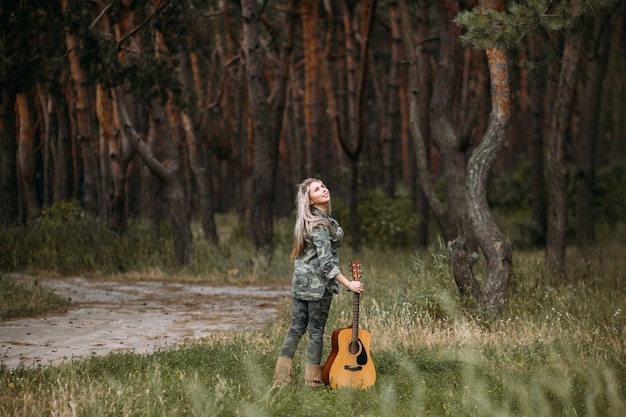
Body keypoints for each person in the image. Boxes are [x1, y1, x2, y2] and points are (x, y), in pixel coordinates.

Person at [272, 178, 364, 388]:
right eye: (317, 189)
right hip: (318, 289)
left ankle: (281, 380)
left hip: (301, 286)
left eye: (323, 186)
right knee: (315, 332)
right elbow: (326, 264)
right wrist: (348, 284)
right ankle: (312, 382)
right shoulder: (320, 225)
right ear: (310, 201)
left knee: (296, 329)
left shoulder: (311, 220)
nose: (323, 189)